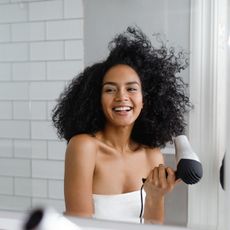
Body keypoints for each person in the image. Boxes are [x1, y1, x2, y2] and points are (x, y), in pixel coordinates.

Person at [52, 26, 191, 224]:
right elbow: (80, 225)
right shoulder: (84, 147)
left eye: (132, 88)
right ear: (97, 99)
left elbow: (153, 226)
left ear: (145, 99)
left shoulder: (152, 155)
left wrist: (156, 197)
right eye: (110, 90)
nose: (122, 97)